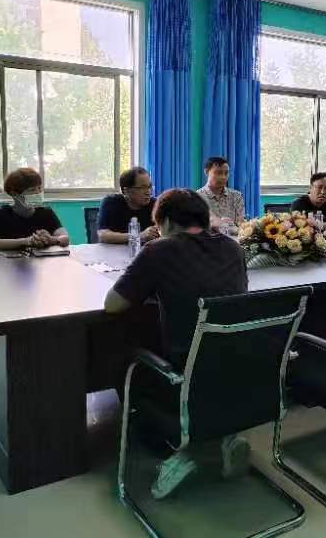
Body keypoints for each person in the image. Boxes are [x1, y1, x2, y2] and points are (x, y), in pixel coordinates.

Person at [104, 188, 249, 498]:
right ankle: (224, 435)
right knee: (203, 356)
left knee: (122, 356)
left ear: (166, 222)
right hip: (237, 363)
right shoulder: (233, 248)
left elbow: (112, 305)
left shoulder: (159, 250)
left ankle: (176, 452)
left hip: (186, 370)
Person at [0, 168, 69, 250]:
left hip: (40, 259)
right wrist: (26, 241)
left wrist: (51, 239)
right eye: (32, 190)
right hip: (6, 259)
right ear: (14, 194)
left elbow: (65, 238)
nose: (38, 192)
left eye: (39, 188)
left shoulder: (46, 212)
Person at [97, 167, 159, 244]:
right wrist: (138, 236)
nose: (148, 192)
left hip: (145, 250)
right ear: (126, 191)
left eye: (149, 187)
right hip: (114, 250)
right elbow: (103, 235)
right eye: (142, 188)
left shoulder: (155, 204)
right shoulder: (111, 202)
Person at [197, 157, 245, 231]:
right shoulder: (197, 197)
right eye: (218, 173)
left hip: (234, 237)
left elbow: (241, 224)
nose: (223, 177)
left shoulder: (236, 196)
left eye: (226, 173)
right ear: (206, 172)